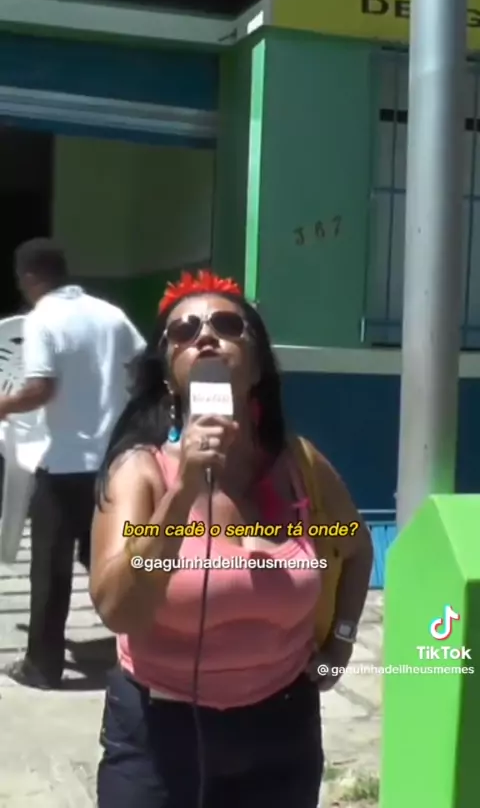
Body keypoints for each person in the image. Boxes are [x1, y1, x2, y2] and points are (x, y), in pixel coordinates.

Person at [90, 269, 373, 808]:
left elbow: (355, 546)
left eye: (227, 324)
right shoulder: (141, 473)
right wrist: (184, 492)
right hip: (159, 736)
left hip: (282, 732)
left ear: (258, 365)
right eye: (183, 331)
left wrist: (340, 641)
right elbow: (118, 608)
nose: (205, 336)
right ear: (169, 375)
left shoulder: (299, 467)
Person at [0, 237, 146, 689]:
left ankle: (42, 667)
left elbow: (40, 389)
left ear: (29, 277)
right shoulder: (110, 314)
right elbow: (142, 367)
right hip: (114, 463)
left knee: (50, 567)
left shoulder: (42, 320)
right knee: (107, 556)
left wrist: (3, 404)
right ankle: (143, 646)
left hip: (64, 465)